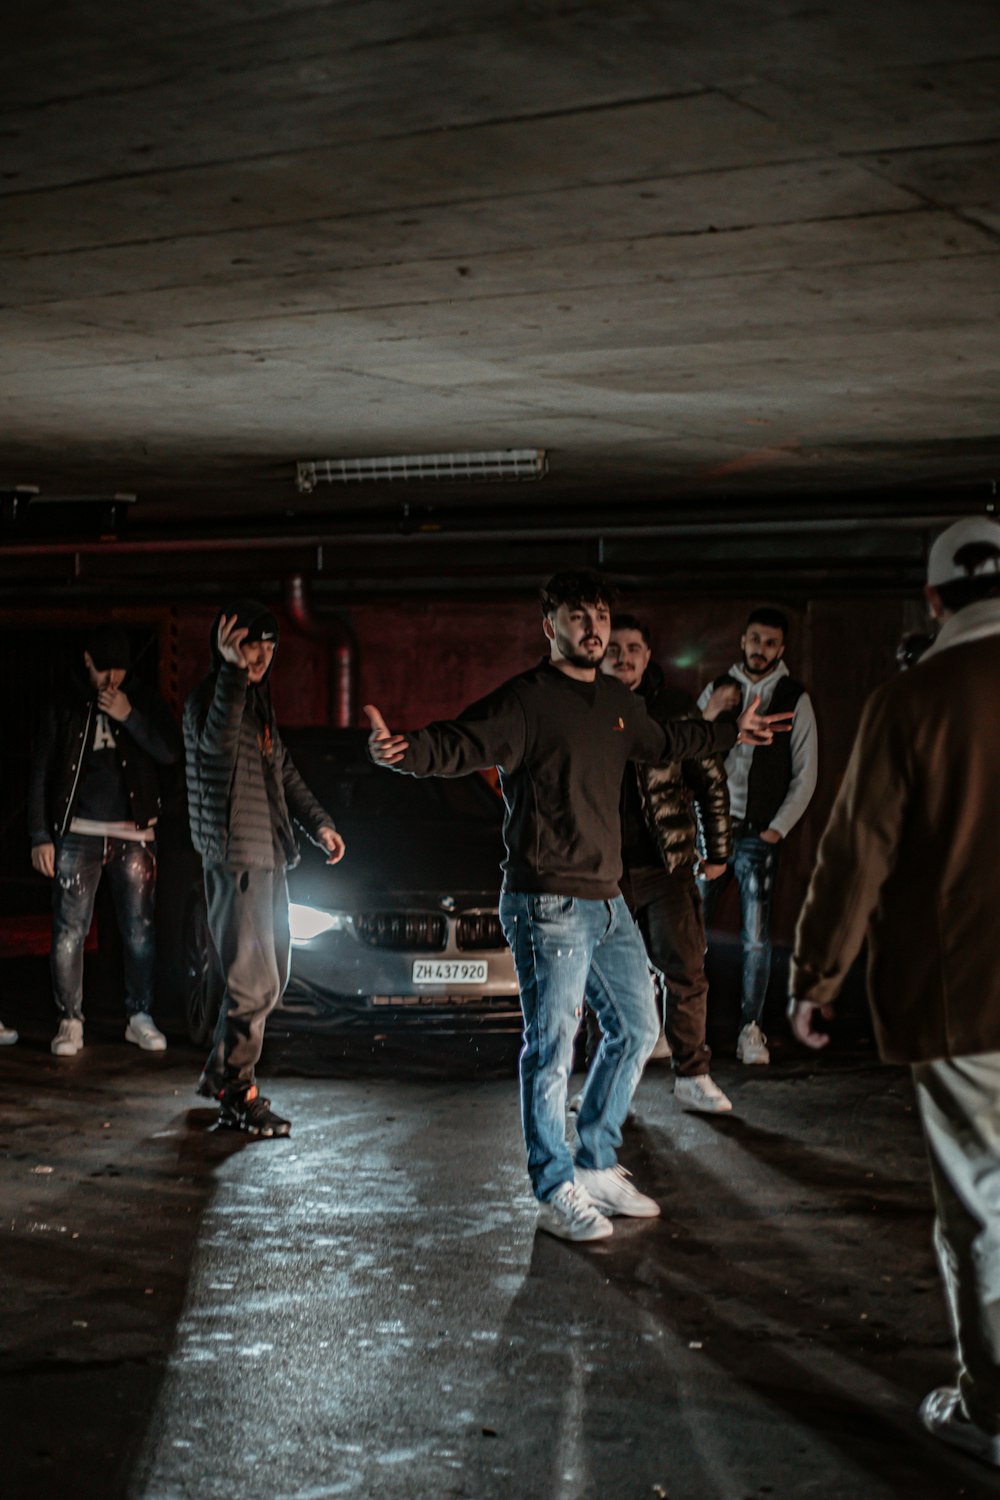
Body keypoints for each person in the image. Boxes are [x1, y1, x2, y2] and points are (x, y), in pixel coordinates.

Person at [366, 570, 791, 1241]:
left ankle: (594, 1160)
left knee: (637, 1028)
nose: (591, 628)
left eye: (599, 616)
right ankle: (555, 1184)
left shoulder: (618, 703)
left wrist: (732, 733)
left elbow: (668, 742)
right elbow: (461, 741)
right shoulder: (527, 702)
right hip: (545, 901)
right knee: (552, 1049)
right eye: (576, 616)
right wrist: (405, 752)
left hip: (606, 897)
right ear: (550, 626)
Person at [788, 515, 1000, 1468]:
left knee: (986, 1205)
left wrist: (816, 978)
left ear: (933, 600)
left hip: (966, 1003)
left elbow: (855, 853)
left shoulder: (911, 702)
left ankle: (994, 1409)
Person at [183, 600, 345, 1138]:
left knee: (272, 983)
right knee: (250, 988)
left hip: (270, 857)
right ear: (227, 646)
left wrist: (318, 824)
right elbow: (215, 748)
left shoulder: (256, 706)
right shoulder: (214, 699)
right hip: (236, 859)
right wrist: (230, 673)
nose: (261, 656)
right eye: (252, 644)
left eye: (269, 647)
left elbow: (286, 772)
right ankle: (238, 1091)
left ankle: (221, 1075)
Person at [28, 625, 181, 1057]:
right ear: (86, 662)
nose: (112, 678)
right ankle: (70, 1020)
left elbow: (171, 752)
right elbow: (41, 770)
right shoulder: (66, 703)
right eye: (103, 669)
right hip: (77, 832)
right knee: (69, 931)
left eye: (119, 668)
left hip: (134, 834)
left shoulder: (142, 698)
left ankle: (139, 1016)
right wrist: (40, 835)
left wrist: (129, 715)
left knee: (139, 931)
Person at [601, 614, 733, 1113]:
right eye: (615, 649)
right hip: (603, 870)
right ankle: (608, 1086)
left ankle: (692, 1075)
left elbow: (710, 783)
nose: (623, 657)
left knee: (685, 969)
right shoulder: (583, 709)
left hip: (666, 865)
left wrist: (718, 852)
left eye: (633, 648)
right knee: (608, 981)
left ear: (647, 656)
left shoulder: (675, 709)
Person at [697, 607, 818, 1065]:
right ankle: (683, 1028)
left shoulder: (793, 697)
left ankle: (751, 1030)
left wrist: (776, 829)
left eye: (770, 643)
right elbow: (689, 754)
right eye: (754, 640)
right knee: (690, 931)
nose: (760, 649)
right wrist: (717, 719)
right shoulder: (719, 690)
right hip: (713, 828)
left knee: (755, 938)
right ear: (742, 641)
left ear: (781, 649)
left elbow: (806, 774)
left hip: (759, 833)